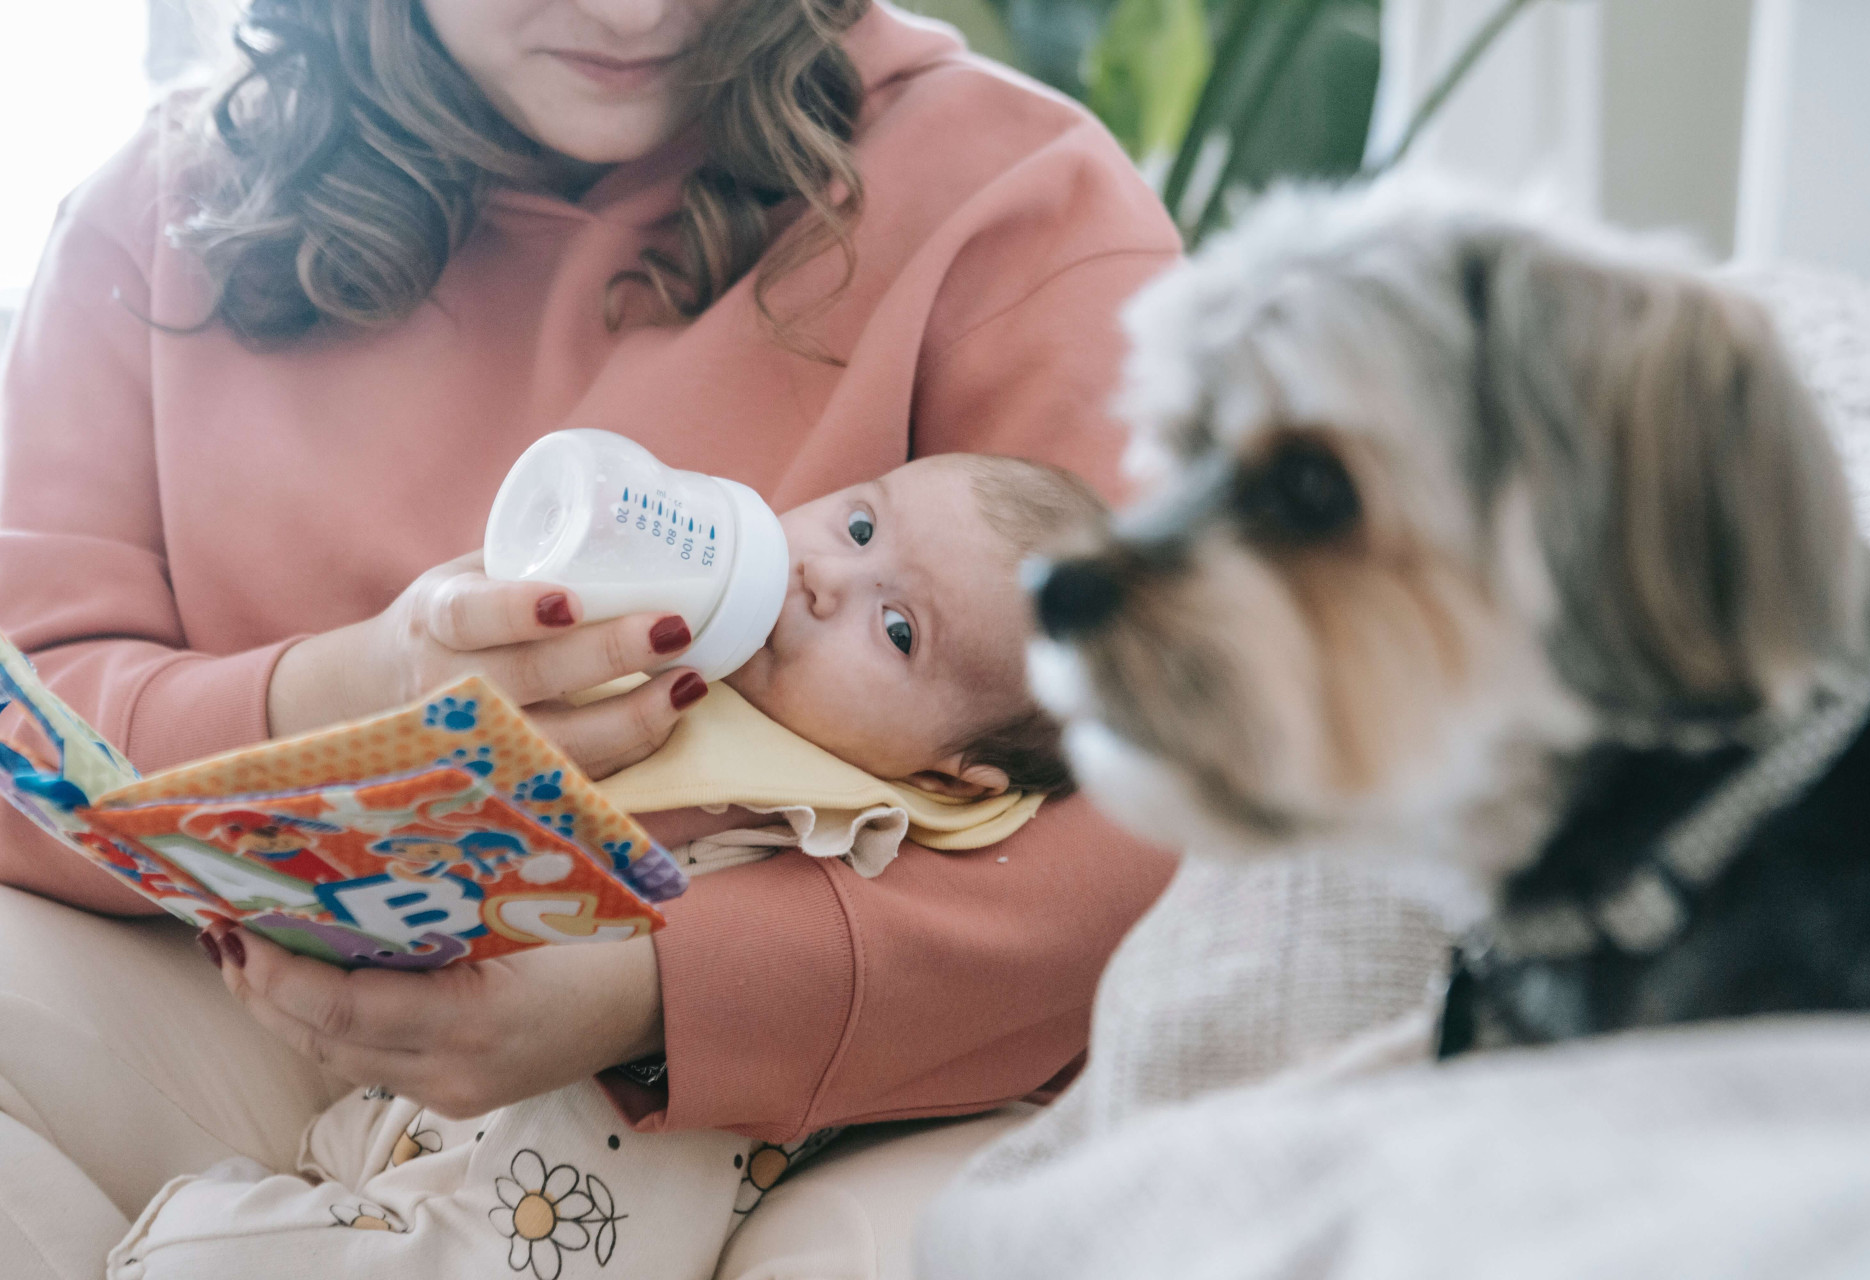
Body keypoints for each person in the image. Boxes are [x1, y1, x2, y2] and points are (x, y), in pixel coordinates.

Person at [0, 0, 1180, 1251]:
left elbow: (1192, 802)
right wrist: (353, 691)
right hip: (230, 987)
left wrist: (657, 988)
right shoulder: (158, 221)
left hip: (766, 1101)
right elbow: (31, 710)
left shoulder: (1013, 199)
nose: (631, 12)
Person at [108, 453, 1106, 1280]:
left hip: (612, 1169)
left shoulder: (874, 814)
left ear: (959, 776)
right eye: (857, 526)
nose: (824, 579)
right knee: (349, 1168)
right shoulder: (672, 653)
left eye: (897, 630)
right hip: (414, 1094)